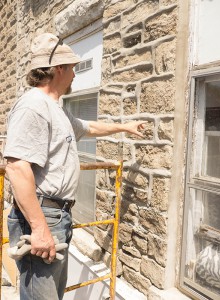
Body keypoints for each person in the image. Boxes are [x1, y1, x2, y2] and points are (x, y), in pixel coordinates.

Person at [3, 33, 146, 300]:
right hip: (44, 216)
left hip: (57, 216)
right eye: (72, 68)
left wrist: (125, 126)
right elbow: (16, 167)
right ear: (59, 68)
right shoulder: (33, 106)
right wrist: (40, 229)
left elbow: (89, 127)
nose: (75, 75)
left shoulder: (55, 109)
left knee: (51, 294)